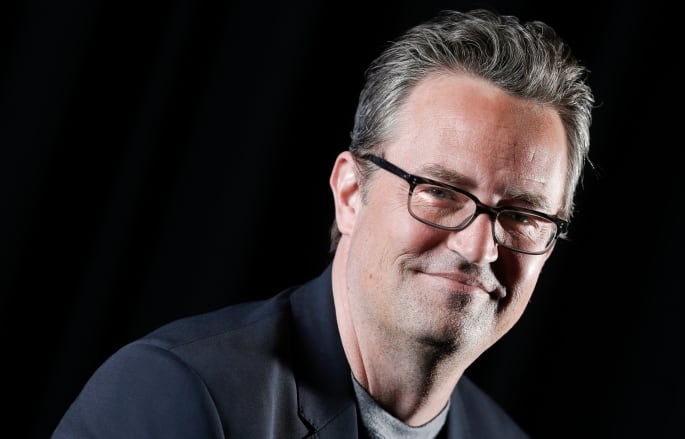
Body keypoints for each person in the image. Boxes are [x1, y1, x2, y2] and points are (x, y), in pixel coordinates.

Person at [54, 8, 594, 438]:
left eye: (522, 215)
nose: (480, 247)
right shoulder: (178, 392)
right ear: (351, 194)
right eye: (440, 192)